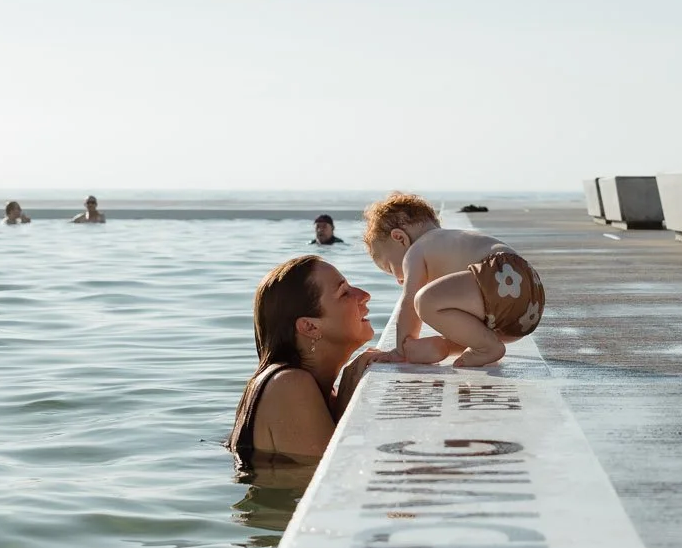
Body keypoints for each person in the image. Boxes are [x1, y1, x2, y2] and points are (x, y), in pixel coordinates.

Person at [363, 191, 545, 369]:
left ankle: (487, 347)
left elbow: (409, 303)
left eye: (391, 268)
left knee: (424, 300)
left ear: (399, 238)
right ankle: (448, 347)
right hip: (529, 293)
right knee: (472, 320)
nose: (399, 279)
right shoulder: (450, 241)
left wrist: (400, 350)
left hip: (498, 276)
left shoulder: (416, 250)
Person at [227, 255, 377, 464]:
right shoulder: (289, 385)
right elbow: (331, 476)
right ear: (310, 327)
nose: (364, 295)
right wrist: (347, 398)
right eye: (344, 293)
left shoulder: (318, 389)